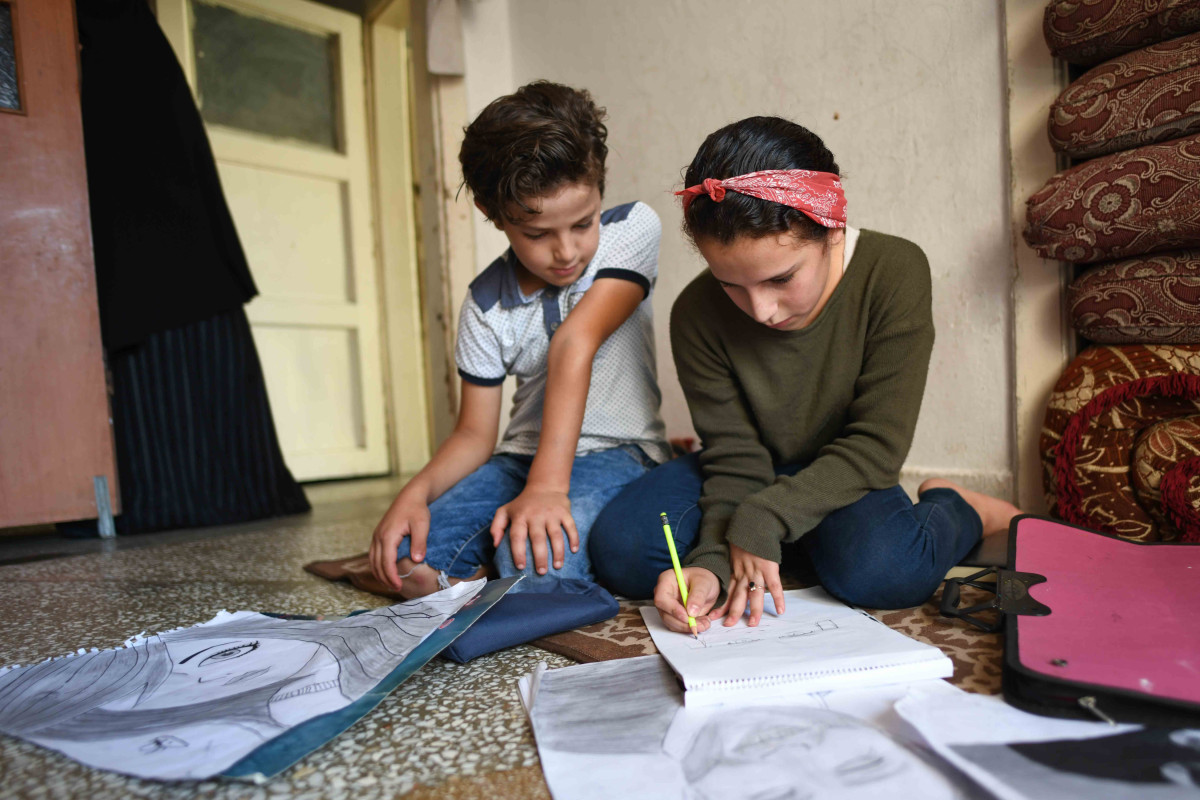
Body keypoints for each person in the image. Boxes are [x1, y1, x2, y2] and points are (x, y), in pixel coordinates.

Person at [588, 116, 1021, 631]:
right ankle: (784, 544)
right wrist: (711, 561)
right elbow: (734, 455)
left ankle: (960, 506)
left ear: (832, 230)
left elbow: (877, 447)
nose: (762, 310)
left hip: (847, 466)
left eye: (782, 278)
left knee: (885, 573)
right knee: (624, 552)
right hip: (749, 465)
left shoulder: (895, 271)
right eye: (730, 284)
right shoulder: (695, 313)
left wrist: (762, 517)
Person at [367, 82, 670, 598]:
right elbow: (473, 435)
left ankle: (495, 572)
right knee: (406, 559)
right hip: (517, 458)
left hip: (617, 451)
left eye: (582, 222)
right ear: (493, 213)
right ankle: (482, 576)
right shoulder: (485, 303)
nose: (566, 251)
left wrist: (548, 490)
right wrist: (413, 494)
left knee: (532, 561)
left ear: (599, 188)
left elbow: (575, 343)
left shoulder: (632, 230)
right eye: (536, 235)